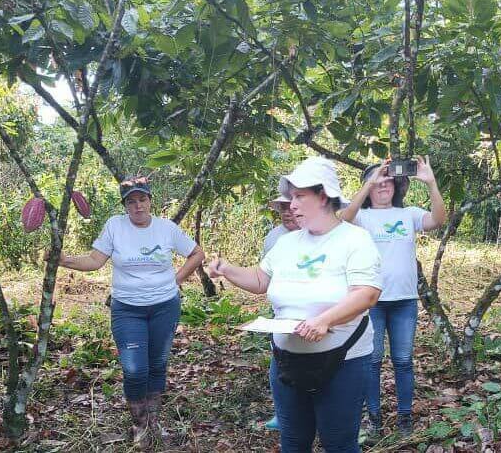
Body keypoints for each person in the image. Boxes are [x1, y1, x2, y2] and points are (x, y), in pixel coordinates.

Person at [208, 157, 382, 452]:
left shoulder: (355, 240)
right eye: (291, 197)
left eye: (300, 196)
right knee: (292, 441)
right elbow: (261, 280)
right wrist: (227, 269)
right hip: (286, 362)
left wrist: (325, 320)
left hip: (342, 361)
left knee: (339, 443)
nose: (293, 205)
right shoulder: (287, 243)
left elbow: (366, 293)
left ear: (324, 196)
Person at [47, 177, 205, 447]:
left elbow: (197, 254)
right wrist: (64, 260)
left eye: (142, 199)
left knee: (157, 364)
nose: (138, 206)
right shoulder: (115, 227)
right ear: (125, 205)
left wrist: (174, 281)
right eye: (131, 201)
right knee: (134, 370)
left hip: (164, 307)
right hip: (128, 308)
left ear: (150, 201)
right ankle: (139, 424)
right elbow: (95, 260)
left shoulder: (166, 228)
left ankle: (153, 424)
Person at [340, 156, 446, 437]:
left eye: (388, 180)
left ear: (396, 186)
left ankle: (404, 418)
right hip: (370, 301)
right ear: (369, 188)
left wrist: (431, 183)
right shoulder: (362, 217)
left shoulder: (408, 213)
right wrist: (368, 182)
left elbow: (439, 219)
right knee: (372, 361)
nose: (383, 185)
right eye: (378, 182)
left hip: (404, 301)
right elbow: (342, 218)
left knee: (403, 361)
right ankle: (373, 418)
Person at [262, 195, 300, 431]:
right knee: (279, 359)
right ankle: (282, 412)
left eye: (290, 207)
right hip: (281, 309)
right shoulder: (274, 237)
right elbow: (264, 275)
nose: (287, 212)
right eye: (282, 208)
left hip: (315, 311)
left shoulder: (321, 235)